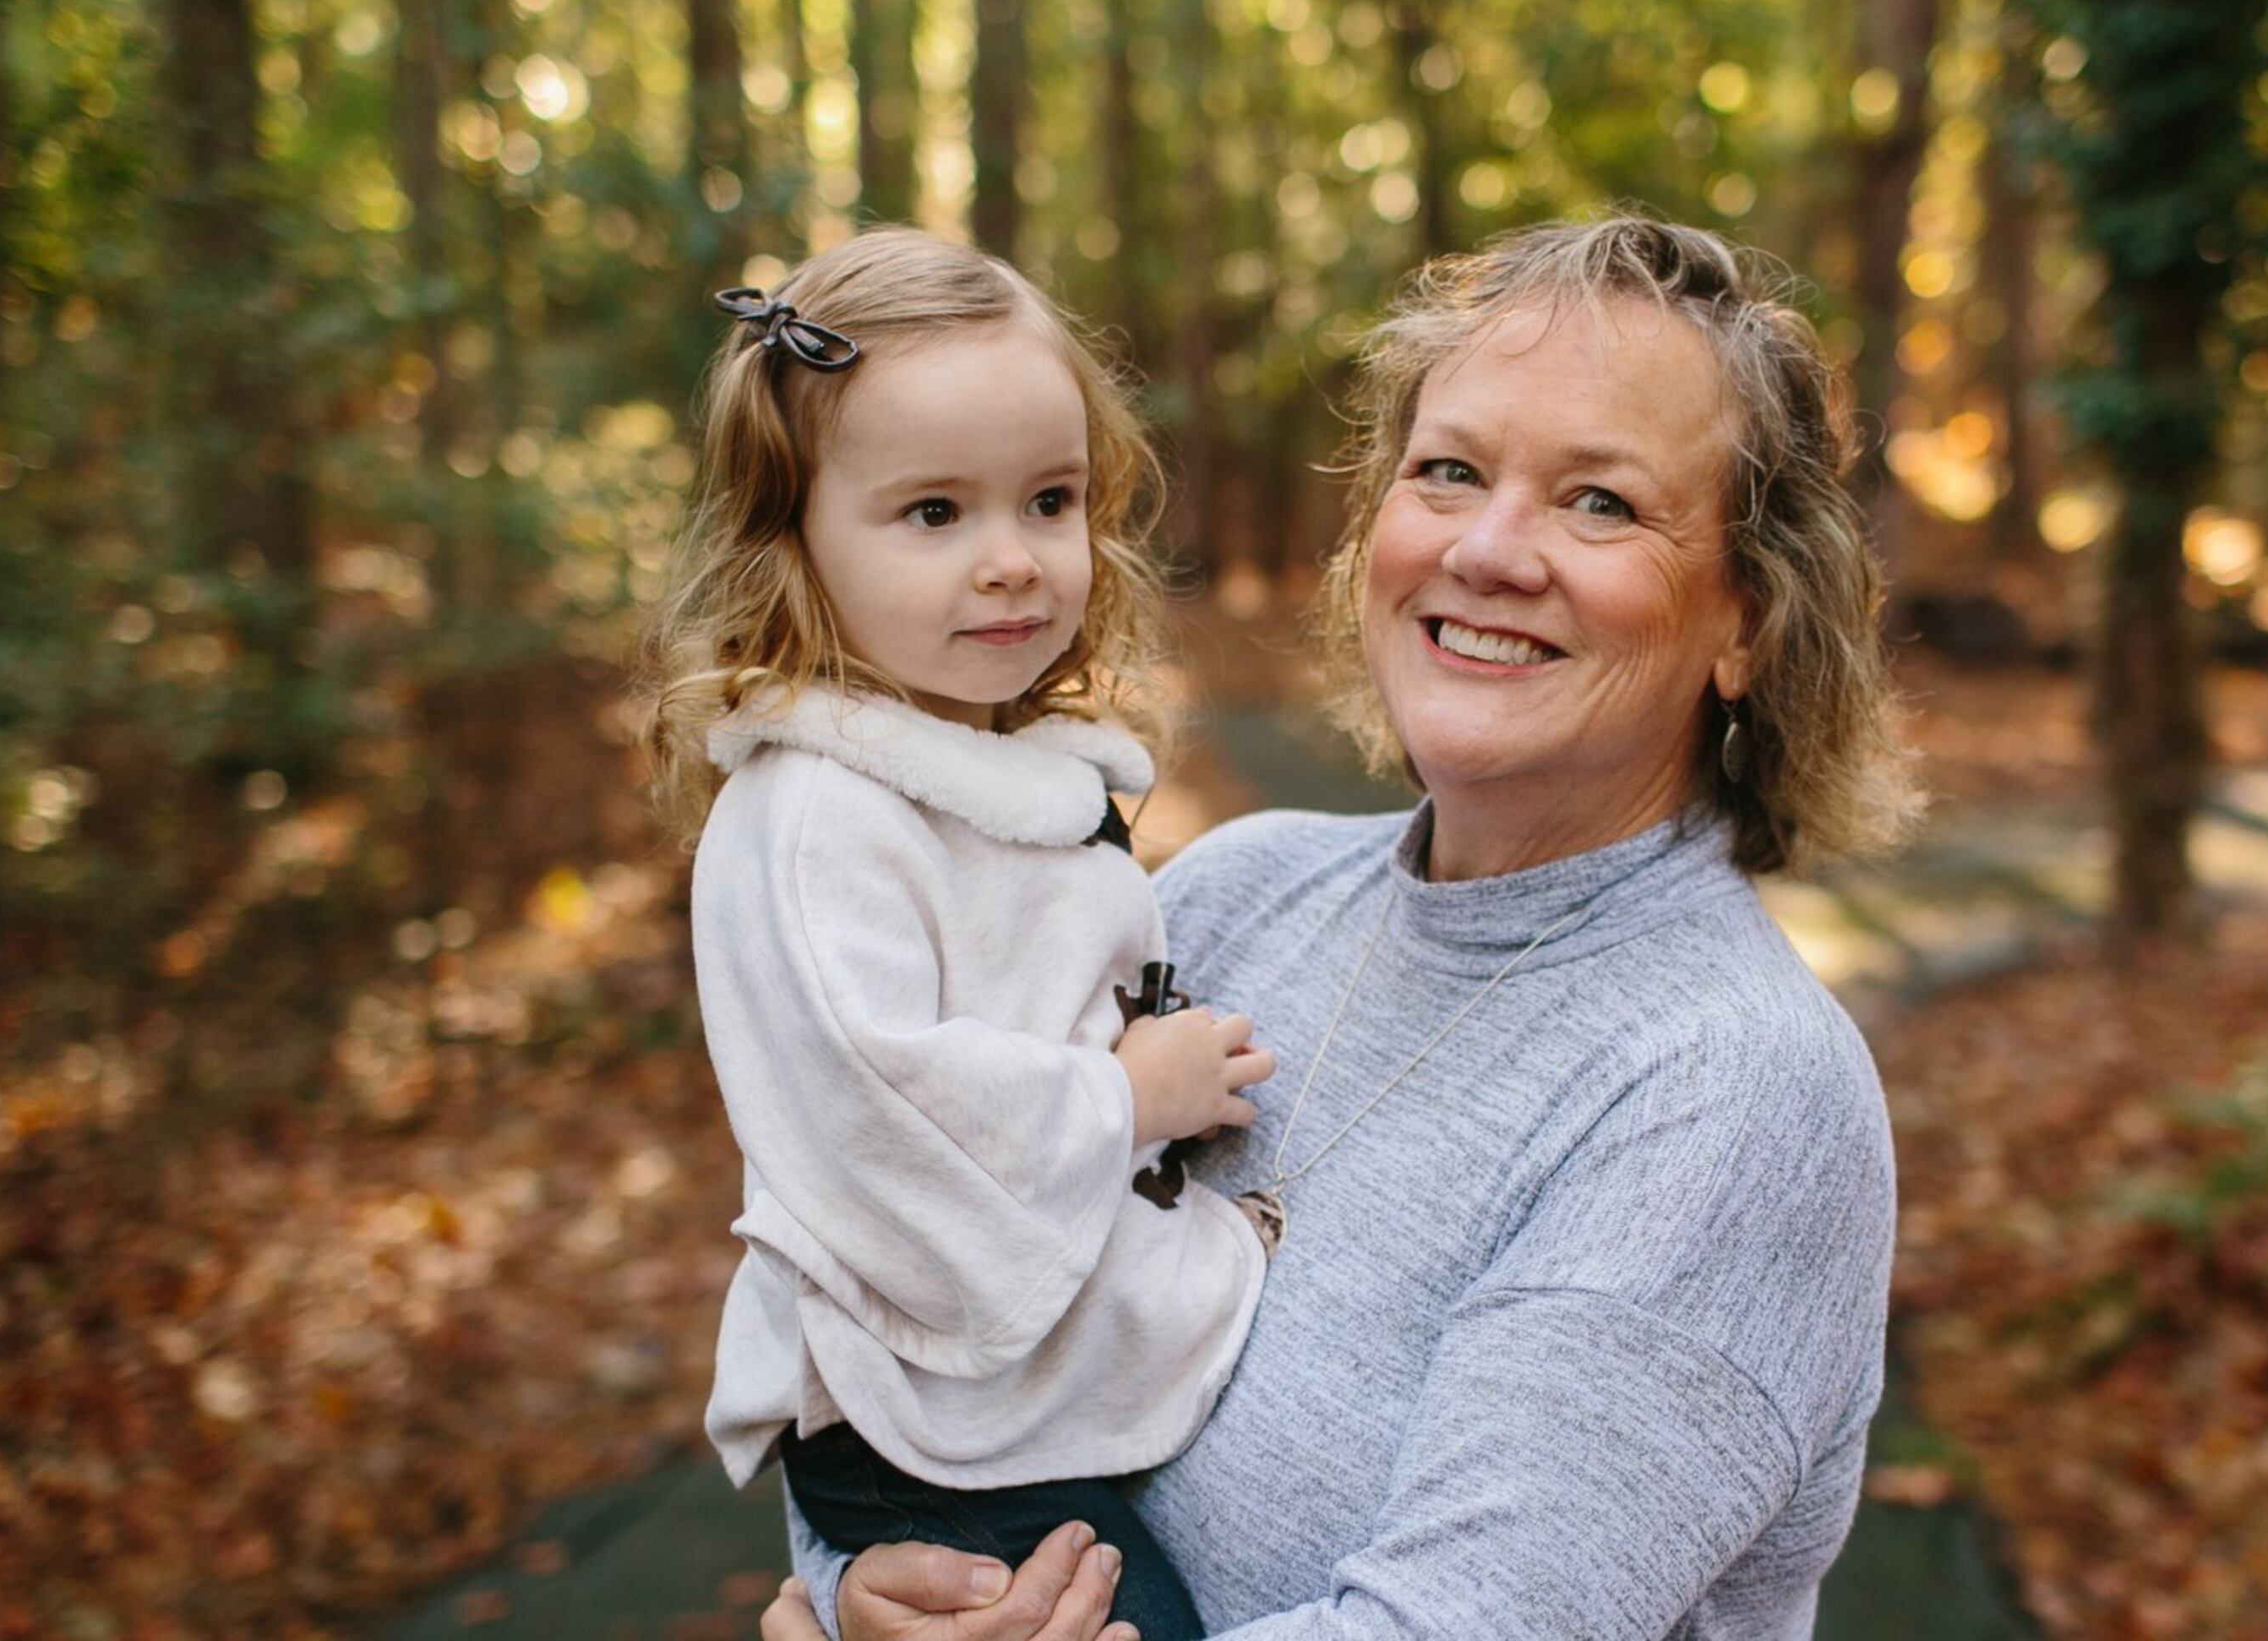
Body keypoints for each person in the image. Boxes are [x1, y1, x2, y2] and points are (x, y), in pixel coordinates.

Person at [763, 214, 1916, 1641]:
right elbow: (909, 1283)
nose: (1487, 550)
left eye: (1600, 503)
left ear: (1751, 618)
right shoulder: (1230, 897)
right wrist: (860, 1592)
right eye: (1450, 472)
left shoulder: (1734, 1088)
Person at [637, 227, 1280, 1641]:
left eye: (1050, 500)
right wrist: (1125, 1099)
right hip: (926, 1427)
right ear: (793, 534)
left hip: (1012, 1401)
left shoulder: (998, 774)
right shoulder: (816, 815)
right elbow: (879, 1106)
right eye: (934, 512)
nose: (1011, 562)